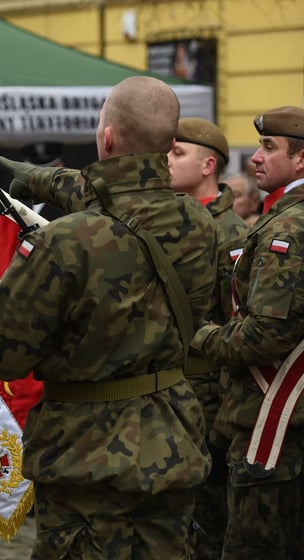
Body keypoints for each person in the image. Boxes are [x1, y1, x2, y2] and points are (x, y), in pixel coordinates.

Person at [0, 76, 217, 559]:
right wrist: (43, 178)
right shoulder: (199, 223)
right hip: (171, 440)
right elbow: (120, 198)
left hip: (88, 456)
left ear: (105, 138)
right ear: (171, 145)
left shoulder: (67, 240)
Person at [191, 105, 304, 559]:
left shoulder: (290, 227)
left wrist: (198, 335)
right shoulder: (282, 217)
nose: (256, 157)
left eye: (268, 147)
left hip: (274, 423)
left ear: (301, 160)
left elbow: (265, 335)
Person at [168, 117, 249, 559]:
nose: (165, 160)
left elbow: (236, 331)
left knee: (206, 528)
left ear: (208, 165)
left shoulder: (231, 235)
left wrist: (220, 426)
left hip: (206, 406)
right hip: (167, 399)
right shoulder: (169, 222)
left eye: (177, 153)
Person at [18, 141, 65, 220]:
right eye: (34, 170)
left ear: (60, 168)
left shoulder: (70, 205)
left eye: (49, 171)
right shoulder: (16, 203)